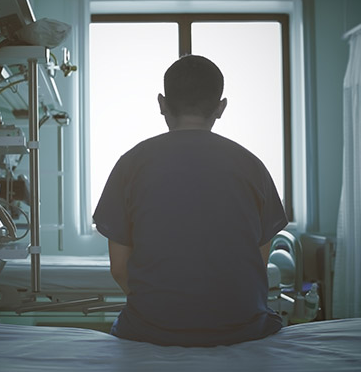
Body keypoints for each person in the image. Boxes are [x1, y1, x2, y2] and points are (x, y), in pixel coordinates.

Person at [93, 55, 287, 347]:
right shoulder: (252, 166)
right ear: (221, 108)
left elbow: (119, 268)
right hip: (243, 328)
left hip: (152, 328)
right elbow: (257, 263)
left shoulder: (131, 164)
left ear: (161, 103)